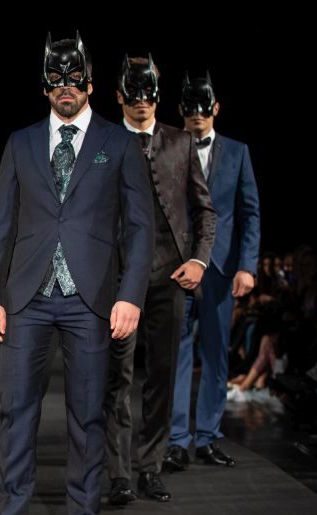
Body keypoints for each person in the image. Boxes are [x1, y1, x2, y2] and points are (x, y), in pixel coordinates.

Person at [0, 33, 154, 515]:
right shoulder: (21, 143)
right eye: (56, 80)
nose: (66, 87)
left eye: (75, 79)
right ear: (45, 87)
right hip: (27, 298)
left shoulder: (119, 143)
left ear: (90, 84)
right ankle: (11, 507)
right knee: (16, 412)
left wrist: (131, 295)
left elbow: (140, 228)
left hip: (92, 299)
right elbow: (0, 224)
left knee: (88, 416)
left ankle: (83, 507)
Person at [103, 54, 217, 504]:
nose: (142, 101)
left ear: (158, 95)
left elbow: (205, 211)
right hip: (117, 281)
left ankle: (149, 467)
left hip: (170, 276)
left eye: (148, 93)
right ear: (119, 97)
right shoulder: (103, 142)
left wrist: (199, 261)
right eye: (133, 93)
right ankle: (119, 474)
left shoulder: (180, 143)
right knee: (116, 377)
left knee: (163, 376)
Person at [167, 72, 260, 471]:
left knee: (216, 354)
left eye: (204, 108)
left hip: (221, 268)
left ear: (216, 108)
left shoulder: (237, 152)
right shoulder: (168, 147)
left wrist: (247, 266)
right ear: (180, 110)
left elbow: (249, 213)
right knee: (176, 353)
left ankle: (207, 437)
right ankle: (176, 440)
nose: (197, 115)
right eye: (190, 109)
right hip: (177, 266)